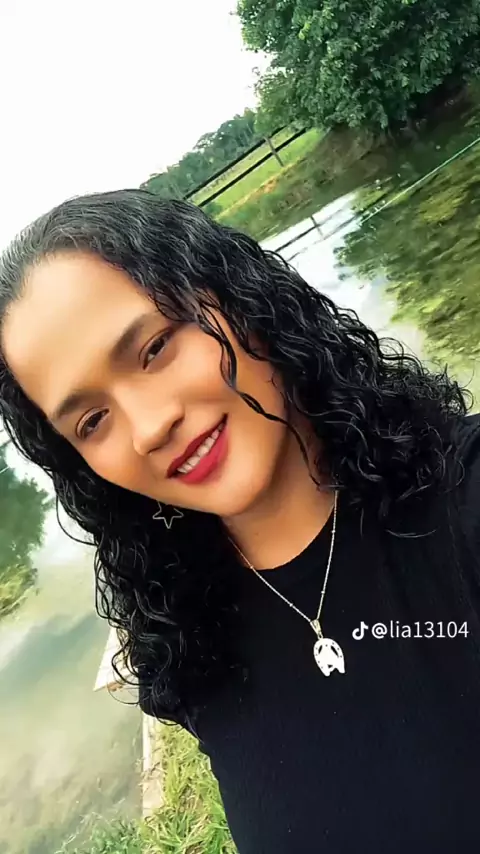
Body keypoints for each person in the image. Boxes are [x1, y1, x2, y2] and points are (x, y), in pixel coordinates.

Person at [0, 188, 479, 853]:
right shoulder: (190, 653)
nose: (148, 427)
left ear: (237, 294)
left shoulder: (462, 500)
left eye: (154, 348)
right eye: (92, 420)